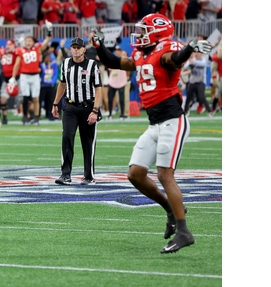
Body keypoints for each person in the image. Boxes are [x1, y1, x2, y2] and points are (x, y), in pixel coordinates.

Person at [90, 14, 213, 253]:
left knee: (165, 175)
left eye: (143, 30)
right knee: (135, 174)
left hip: (173, 121)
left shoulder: (166, 49)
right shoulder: (140, 54)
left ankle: (184, 232)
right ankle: (169, 207)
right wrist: (99, 46)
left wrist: (189, 48)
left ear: (157, 33)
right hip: (154, 123)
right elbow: (115, 62)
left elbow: (173, 60)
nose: (139, 35)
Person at [51, 37, 102, 186]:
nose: (76, 49)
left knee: (88, 142)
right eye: (73, 47)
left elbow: (99, 88)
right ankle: (65, 174)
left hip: (88, 107)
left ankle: (89, 176)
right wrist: (55, 103)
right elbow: (62, 84)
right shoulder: (65, 63)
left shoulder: (92, 64)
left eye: (78, 47)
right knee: (67, 138)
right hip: (70, 107)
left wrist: (95, 110)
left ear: (84, 49)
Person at [14, 25, 52, 126]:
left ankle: (36, 118)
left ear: (34, 42)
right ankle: (25, 117)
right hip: (24, 76)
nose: (28, 43)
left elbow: (46, 41)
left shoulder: (37, 48)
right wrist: (13, 77)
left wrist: (49, 31)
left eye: (30, 41)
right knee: (25, 98)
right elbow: (17, 64)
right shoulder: (21, 50)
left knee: (36, 98)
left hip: (35, 76)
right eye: (27, 41)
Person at [182, 52, 210, 117]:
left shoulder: (203, 59)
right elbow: (186, 66)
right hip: (192, 81)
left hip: (200, 82)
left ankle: (209, 111)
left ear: (201, 54)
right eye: (196, 53)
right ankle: (186, 112)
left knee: (201, 97)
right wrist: (190, 62)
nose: (196, 54)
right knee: (188, 98)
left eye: (198, 53)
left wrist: (194, 62)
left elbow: (203, 64)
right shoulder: (192, 60)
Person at [107, 47, 130, 120]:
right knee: (110, 99)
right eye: (116, 50)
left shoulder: (124, 60)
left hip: (121, 82)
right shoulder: (112, 59)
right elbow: (109, 69)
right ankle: (110, 114)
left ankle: (122, 115)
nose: (117, 52)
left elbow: (128, 69)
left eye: (119, 50)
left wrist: (126, 76)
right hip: (112, 82)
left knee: (122, 99)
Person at [39, 53, 59, 122]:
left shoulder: (53, 65)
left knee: (51, 101)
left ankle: (51, 116)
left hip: (51, 86)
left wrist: (52, 82)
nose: (48, 59)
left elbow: (55, 74)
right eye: (47, 57)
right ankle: (38, 115)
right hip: (43, 86)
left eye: (49, 57)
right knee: (40, 100)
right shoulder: (41, 65)